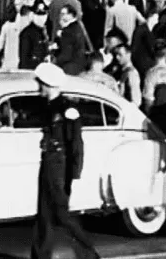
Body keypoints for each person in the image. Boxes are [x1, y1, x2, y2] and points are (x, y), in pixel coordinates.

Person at [30, 62, 100, 259]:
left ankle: (88, 253)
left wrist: (75, 172)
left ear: (49, 84)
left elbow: (75, 143)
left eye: (41, 83)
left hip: (59, 166)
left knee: (62, 214)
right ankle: (40, 255)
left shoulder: (68, 109)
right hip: (48, 162)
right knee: (44, 214)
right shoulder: (48, 107)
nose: (39, 87)